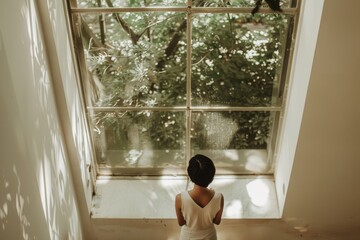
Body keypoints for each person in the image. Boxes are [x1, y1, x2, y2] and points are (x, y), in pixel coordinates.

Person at [175, 154, 224, 240]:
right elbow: (217, 221)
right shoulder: (219, 197)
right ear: (211, 175)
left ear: (190, 174)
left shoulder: (180, 198)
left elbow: (181, 223)